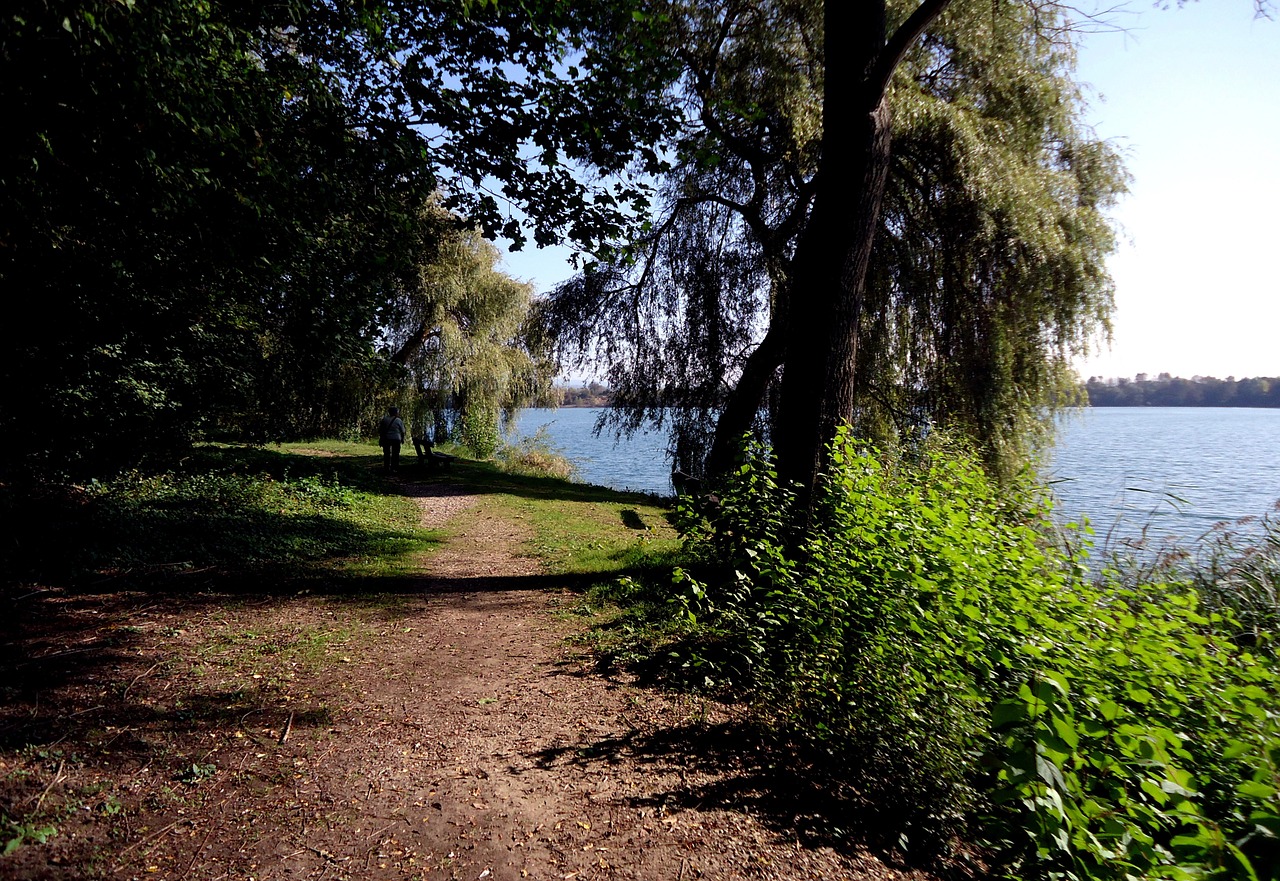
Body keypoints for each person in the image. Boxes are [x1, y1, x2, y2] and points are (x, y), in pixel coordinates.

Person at [378, 406, 406, 473]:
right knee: (395, 454)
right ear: (396, 412)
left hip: (386, 438)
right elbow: (403, 431)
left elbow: (380, 430)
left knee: (386, 454)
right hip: (396, 439)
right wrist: (402, 439)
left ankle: (386, 467)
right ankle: (394, 468)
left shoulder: (384, 419)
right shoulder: (398, 420)